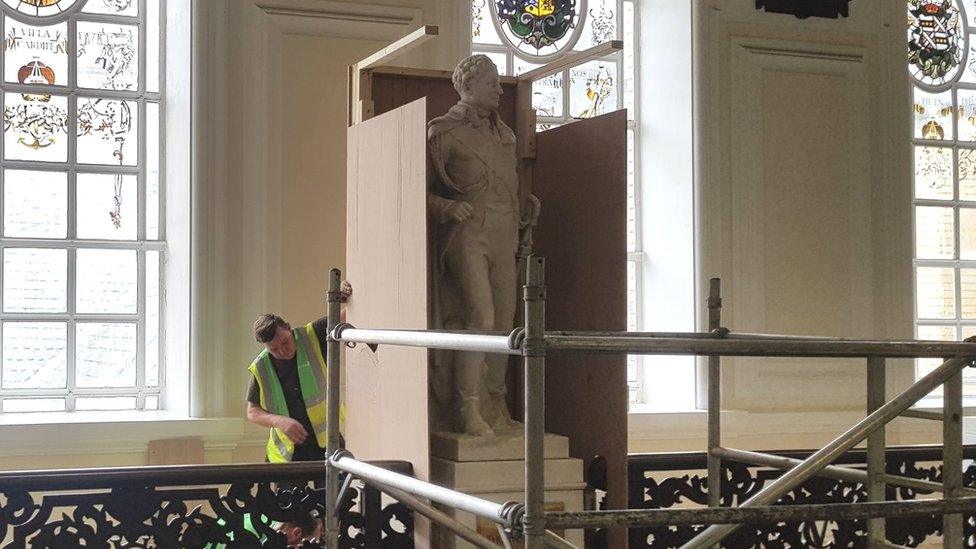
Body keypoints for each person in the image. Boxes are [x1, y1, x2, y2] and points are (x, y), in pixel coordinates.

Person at [427, 54, 540, 437]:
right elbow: (417, 191)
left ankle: (496, 405)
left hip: (505, 233)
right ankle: (467, 409)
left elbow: (506, 184)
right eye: (491, 82)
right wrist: (446, 206)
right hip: (467, 232)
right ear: (468, 85)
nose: (498, 89)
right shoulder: (443, 133)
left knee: (506, 320)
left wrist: (523, 208)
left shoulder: (506, 135)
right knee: (482, 317)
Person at [245, 282, 350, 462]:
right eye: (274, 350)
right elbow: (252, 411)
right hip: (287, 452)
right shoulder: (261, 367)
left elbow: (348, 315)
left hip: (326, 442)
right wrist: (281, 422)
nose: (283, 351)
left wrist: (343, 294)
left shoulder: (312, 335)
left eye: (285, 342)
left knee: (336, 490)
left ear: (288, 327)